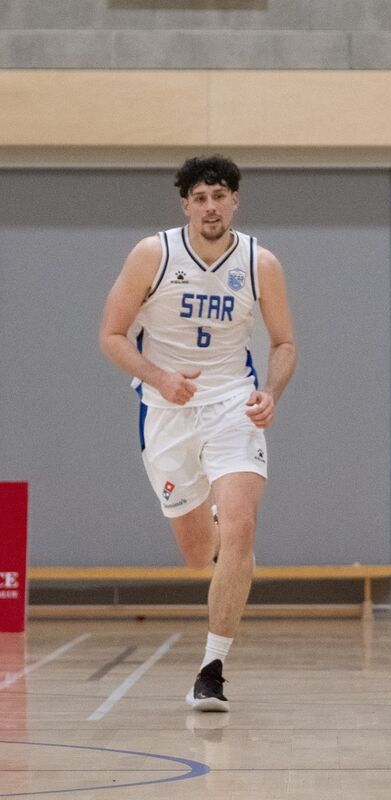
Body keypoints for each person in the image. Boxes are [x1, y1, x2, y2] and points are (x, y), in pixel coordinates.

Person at [99, 155, 297, 713]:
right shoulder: (153, 254)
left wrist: (271, 392)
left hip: (233, 404)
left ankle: (211, 670)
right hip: (167, 411)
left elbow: (284, 343)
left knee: (241, 526)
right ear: (186, 204)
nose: (211, 207)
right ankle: (215, 527)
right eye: (201, 198)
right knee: (195, 554)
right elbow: (111, 335)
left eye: (220, 196)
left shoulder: (260, 263)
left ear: (235, 201)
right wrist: (160, 377)